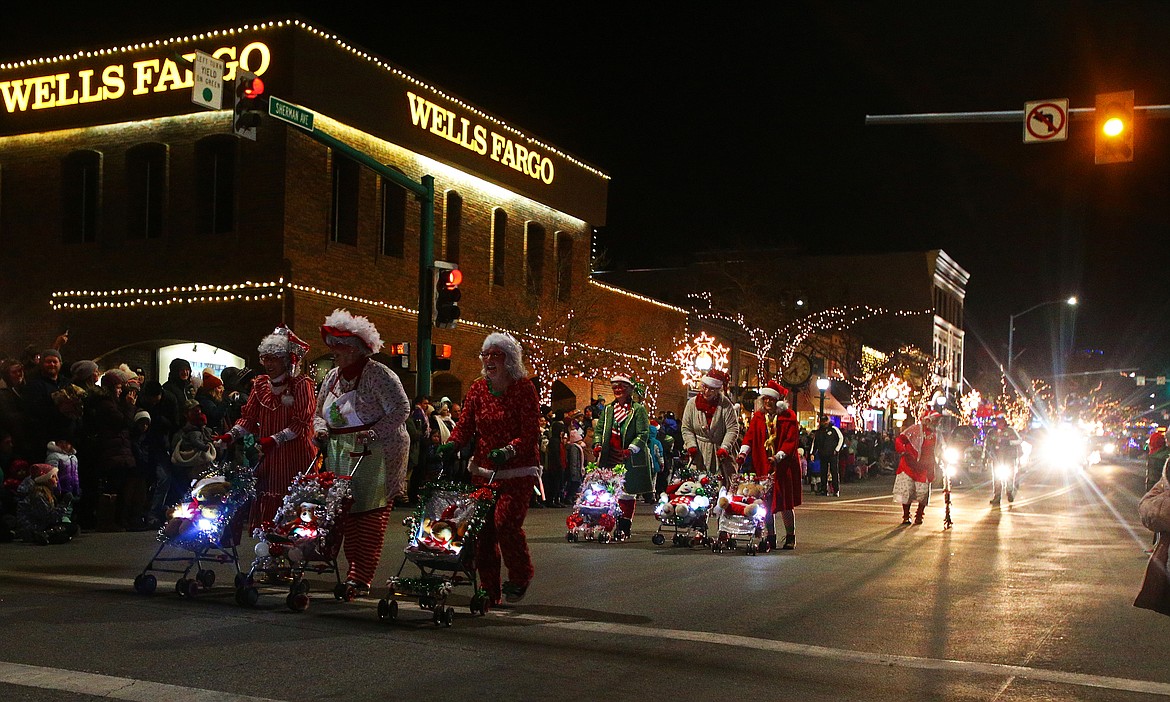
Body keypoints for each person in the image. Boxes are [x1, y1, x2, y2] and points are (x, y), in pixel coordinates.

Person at [313, 309, 410, 597]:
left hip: (374, 451)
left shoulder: (379, 375)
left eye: (340, 349)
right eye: (333, 349)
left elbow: (401, 410)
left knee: (369, 512)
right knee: (344, 511)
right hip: (339, 450)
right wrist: (320, 429)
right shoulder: (331, 377)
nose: (335, 354)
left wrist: (375, 432)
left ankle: (360, 575)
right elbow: (319, 414)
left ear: (356, 350)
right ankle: (351, 567)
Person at [441, 332, 540, 606]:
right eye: (486, 355)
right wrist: (453, 444)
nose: (490, 360)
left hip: (518, 470)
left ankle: (520, 575)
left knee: (505, 523)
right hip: (483, 470)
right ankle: (489, 590)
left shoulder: (523, 388)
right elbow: (465, 425)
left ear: (509, 359)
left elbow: (530, 432)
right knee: (482, 531)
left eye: (496, 354)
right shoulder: (477, 388)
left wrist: (508, 451)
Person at [223, 326, 316, 528]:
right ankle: (267, 546)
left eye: (273, 359)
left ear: (286, 360)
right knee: (267, 497)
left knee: (293, 502)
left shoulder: (301, 384)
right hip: (269, 455)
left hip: (295, 455)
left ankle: (294, 545)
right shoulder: (260, 384)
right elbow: (248, 417)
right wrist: (231, 435)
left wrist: (274, 439)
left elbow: (302, 422)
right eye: (266, 358)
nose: (268, 364)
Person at [737, 380, 801, 550]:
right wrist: (743, 452)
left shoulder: (789, 417)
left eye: (770, 400)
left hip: (783, 466)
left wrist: (778, 457)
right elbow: (749, 437)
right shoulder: (758, 417)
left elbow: (790, 442)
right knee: (765, 503)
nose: (767, 403)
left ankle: (790, 536)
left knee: (785, 504)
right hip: (763, 466)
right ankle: (770, 536)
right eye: (765, 400)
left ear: (777, 401)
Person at [592, 375, 651, 540]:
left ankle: (624, 526)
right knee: (608, 492)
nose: (617, 390)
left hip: (628, 458)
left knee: (627, 492)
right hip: (610, 456)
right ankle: (609, 523)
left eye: (621, 387)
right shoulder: (608, 409)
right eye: (615, 388)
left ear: (629, 390)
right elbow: (599, 430)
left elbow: (643, 433)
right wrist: (597, 444)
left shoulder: (638, 409)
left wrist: (631, 449)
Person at [680, 369, 742, 487]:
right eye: (705, 387)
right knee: (695, 485)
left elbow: (732, 428)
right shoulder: (692, 404)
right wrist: (691, 445)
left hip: (718, 453)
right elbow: (686, 428)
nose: (707, 391)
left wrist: (725, 447)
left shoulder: (725, 405)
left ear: (718, 390)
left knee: (720, 485)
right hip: (699, 452)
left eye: (711, 389)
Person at [893, 411, 939, 525]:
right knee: (907, 491)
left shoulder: (936, 435)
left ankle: (919, 515)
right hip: (909, 464)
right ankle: (906, 515)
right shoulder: (914, 430)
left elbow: (940, 449)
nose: (937, 423)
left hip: (925, 466)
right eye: (935, 420)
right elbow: (900, 440)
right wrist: (903, 450)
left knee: (923, 493)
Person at [983, 415, 1022, 506]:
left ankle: (1009, 492)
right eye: (998, 421)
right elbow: (987, 445)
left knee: (1009, 476)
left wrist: (1009, 442)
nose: (999, 423)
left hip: (1009, 458)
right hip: (997, 459)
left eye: (1001, 421)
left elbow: (1019, 440)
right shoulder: (991, 432)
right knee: (997, 478)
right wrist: (985, 458)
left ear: (1004, 422)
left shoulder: (1011, 431)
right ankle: (997, 497)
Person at [811, 414, 845, 496]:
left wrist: (837, 450)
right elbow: (815, 443)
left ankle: (836, 490)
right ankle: (823, 490)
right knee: (823, 472)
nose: (824, 423)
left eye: (825, 421)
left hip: (832, 454)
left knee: (834, 471)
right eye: (822, 421)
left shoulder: (834, 429)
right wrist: (812, 453)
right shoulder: (819, 432)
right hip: (822, 454)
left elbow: (841, 438)